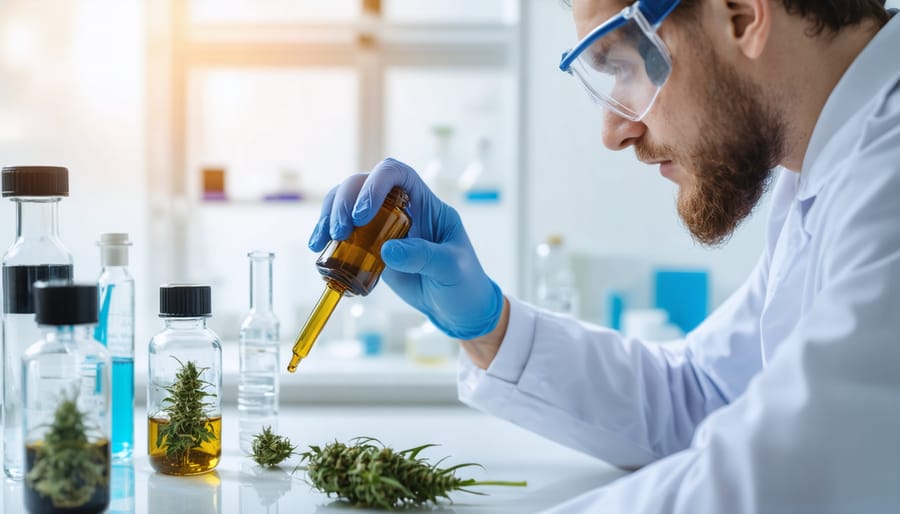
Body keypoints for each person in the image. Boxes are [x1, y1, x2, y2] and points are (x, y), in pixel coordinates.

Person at [309, 0, 900, 511]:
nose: (614, 130)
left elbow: (795, 474)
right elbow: (707, 395)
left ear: (741, 16)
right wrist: (490, 326)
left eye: (628, 63)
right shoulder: (825, 167)